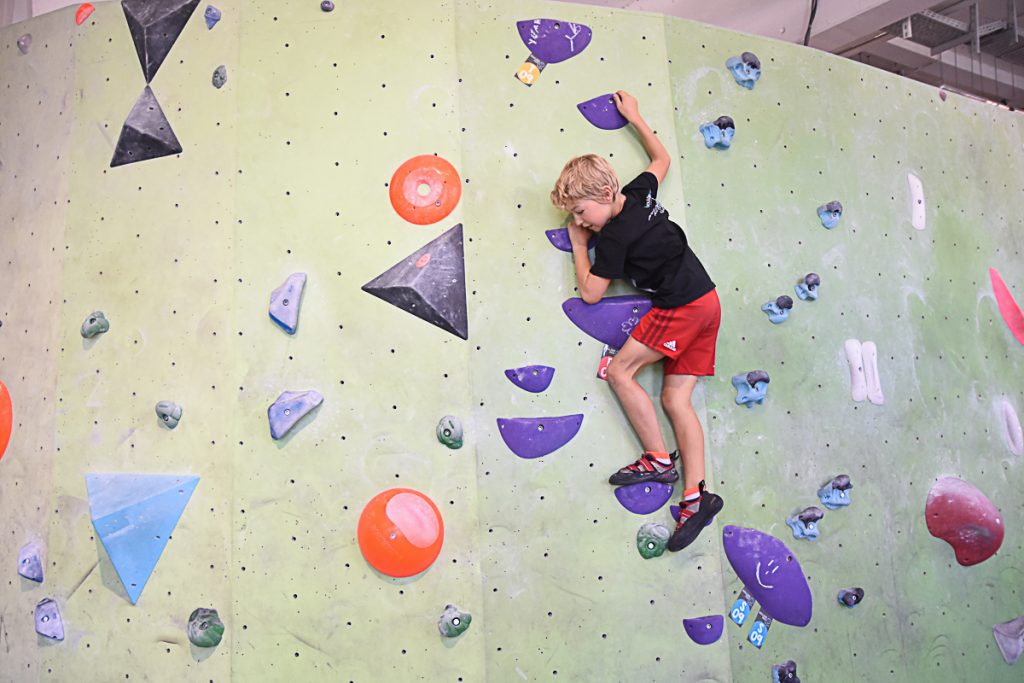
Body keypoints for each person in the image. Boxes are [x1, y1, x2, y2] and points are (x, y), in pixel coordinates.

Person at [549, 90, 723, 552]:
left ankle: (658, 460)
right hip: (707, 301)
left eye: (581, 212)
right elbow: (661, 158)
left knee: (620, 372)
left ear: (605, 195)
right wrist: (635, 117)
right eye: (574, 217)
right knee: (676, 398)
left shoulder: (613, 239)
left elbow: (591, 292)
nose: (580, 221)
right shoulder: (638, 194)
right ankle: (695, 498)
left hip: (681, 307)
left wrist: (579, 247)